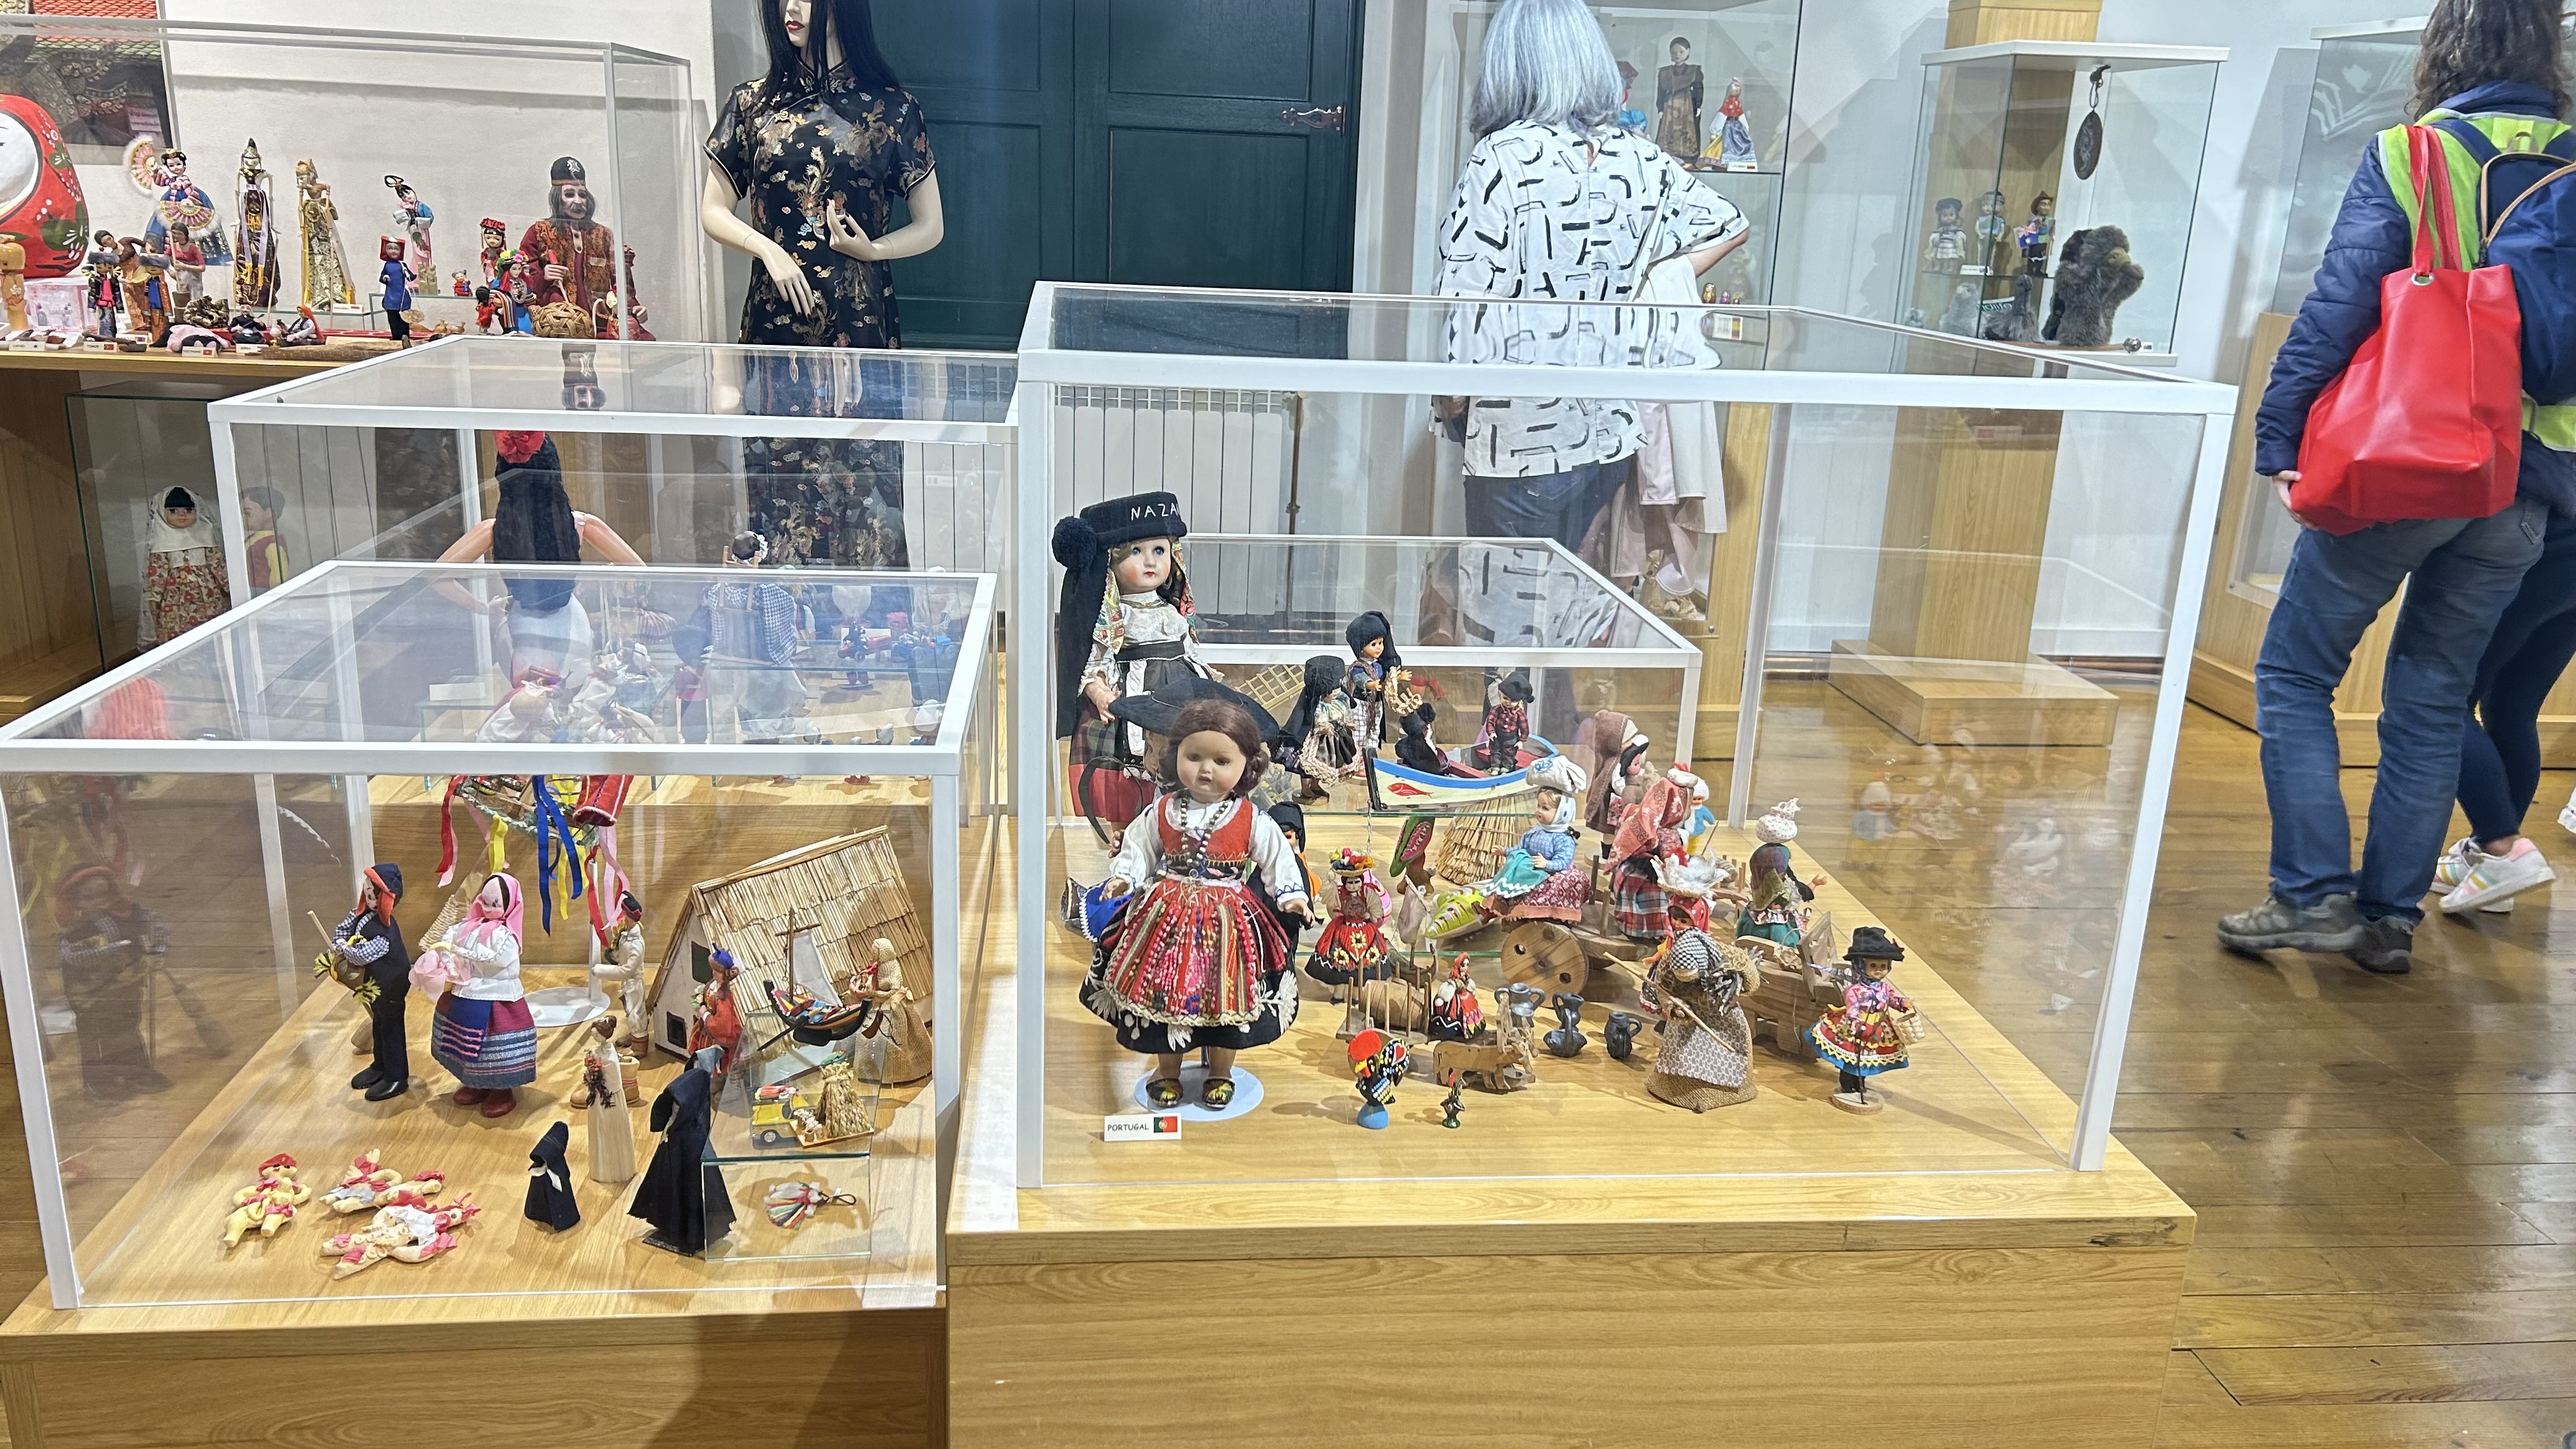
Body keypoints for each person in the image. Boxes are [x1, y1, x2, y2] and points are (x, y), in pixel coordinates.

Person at [2220, 0, 2576, 973]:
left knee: (2296, 673)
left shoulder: (2418, 153)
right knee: (2433, 695)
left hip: (2416, 461)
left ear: (2445, 46)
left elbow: (2339, 302)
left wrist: (2279, 431)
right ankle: (2388, 921)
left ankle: (2310, 894)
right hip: (2530, 485)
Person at [1433, 0, 1746, 556]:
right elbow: (1730, 224)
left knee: (1507, 597)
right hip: (1608, 434)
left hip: (1520, 438)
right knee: (1578, 593)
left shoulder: (1501, 157)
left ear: (1510, 65)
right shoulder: (1638, 156)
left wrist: (1452, 402)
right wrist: (1647, 276)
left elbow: (1470, 299)